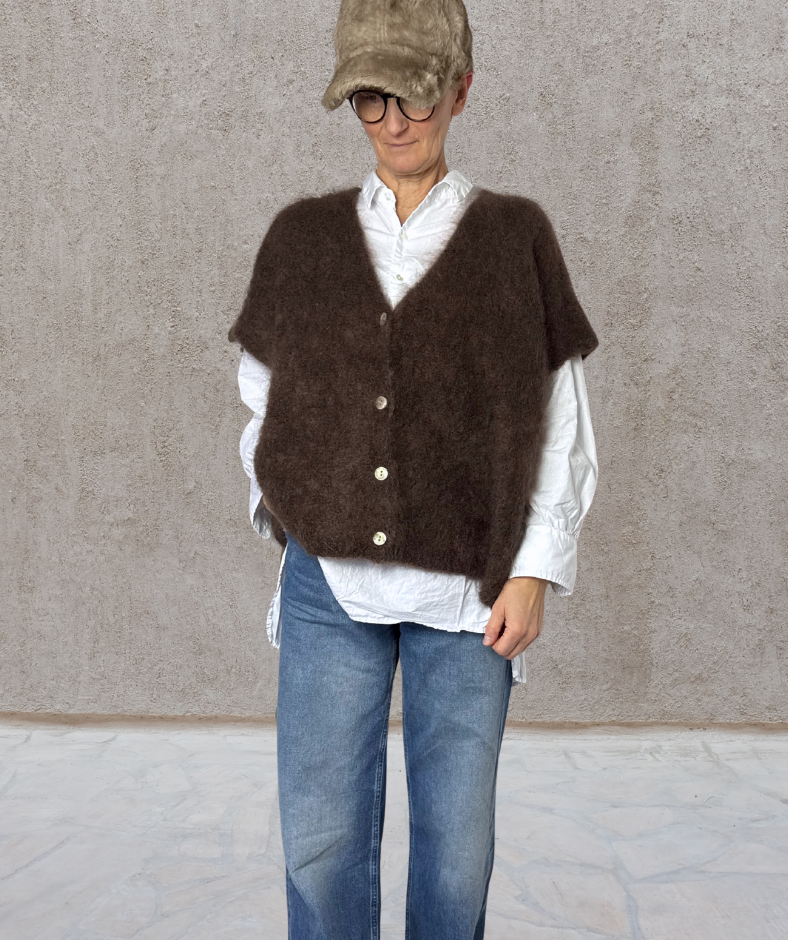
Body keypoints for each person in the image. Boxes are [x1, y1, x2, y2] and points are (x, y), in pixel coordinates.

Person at [229, 1, 599, 936]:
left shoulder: (515, 237)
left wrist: (535, 567)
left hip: (470, 598)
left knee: (456, 854)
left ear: (461, 91)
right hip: (328, 588)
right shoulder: (301, 238)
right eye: (371, 99)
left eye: (416, 98)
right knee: (320, 845)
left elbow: (560, 415)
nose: (394, 123)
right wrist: (289, 508)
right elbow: (263, 396)